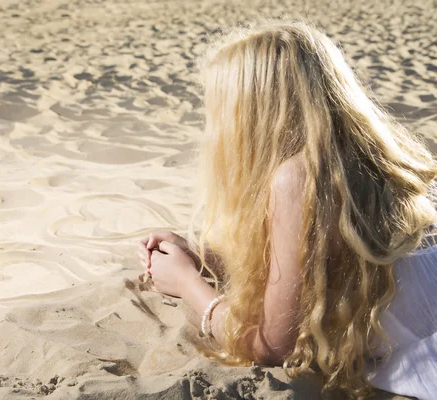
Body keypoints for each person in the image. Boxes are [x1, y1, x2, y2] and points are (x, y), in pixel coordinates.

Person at [136, 20, 437, 399]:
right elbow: (319, 268)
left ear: (251, 114)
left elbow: (273, 345)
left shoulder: (299, 177)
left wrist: (187, 284)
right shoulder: (367, 157)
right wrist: (203, 257)